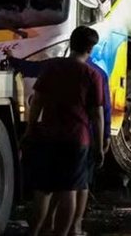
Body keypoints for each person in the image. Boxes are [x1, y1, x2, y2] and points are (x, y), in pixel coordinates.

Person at [7, 45, 112, 236]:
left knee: (44, 189)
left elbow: (36, 93)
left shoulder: (52, 66)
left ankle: (40, 228)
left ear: (71, 45)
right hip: (79, 138)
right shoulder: (96, 73)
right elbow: (101, 112)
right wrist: (103, 139)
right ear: (90, 48)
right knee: (74, 187)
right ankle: (73, 228)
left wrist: (30, 130)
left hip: (49, 135)